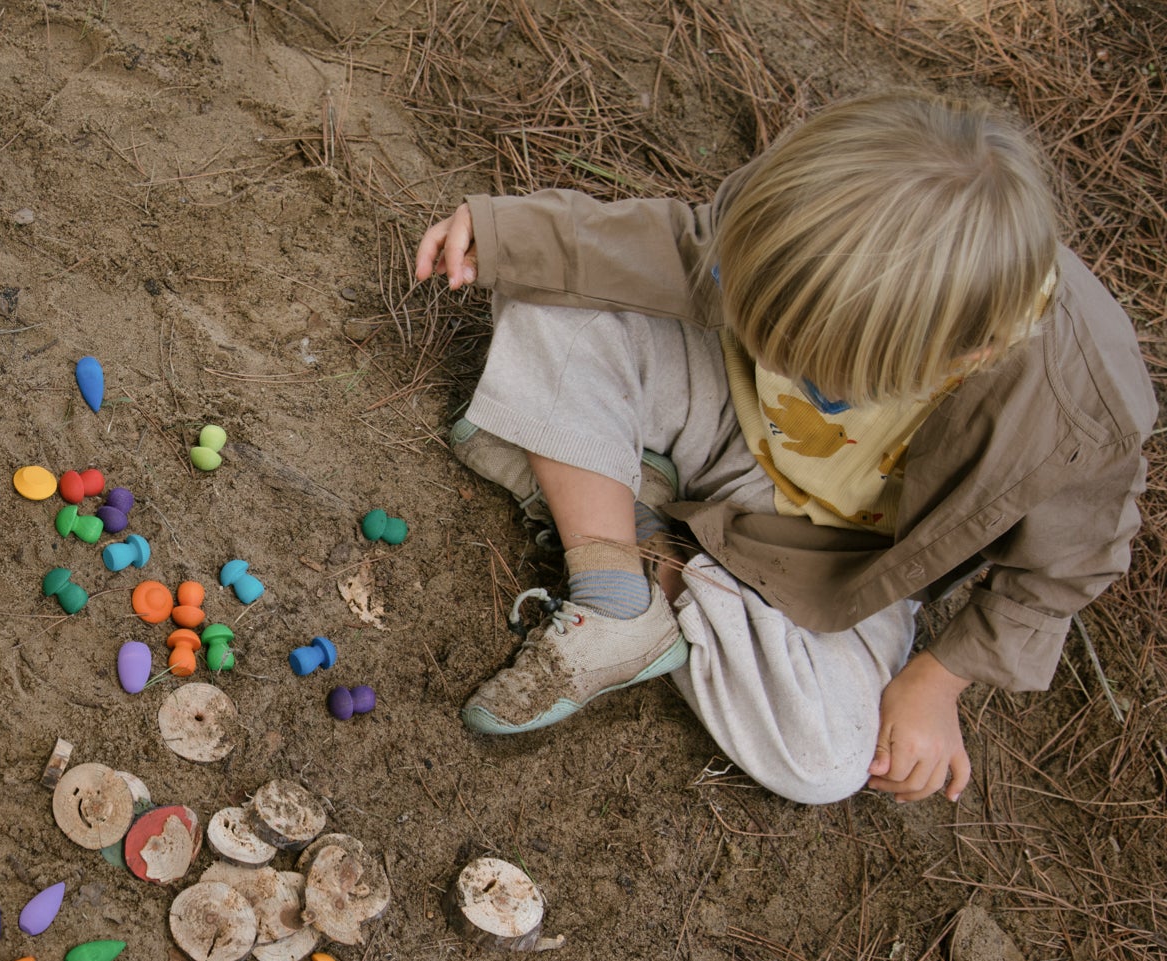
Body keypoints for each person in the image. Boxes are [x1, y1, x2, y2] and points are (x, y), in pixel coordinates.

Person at [415, 91, 1153, 806]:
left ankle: (646, 540)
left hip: (838, 551)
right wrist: (513, 236)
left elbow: (1062, 570)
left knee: (825, 755)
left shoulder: (1080, 412)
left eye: (820, 376)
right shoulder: (816, 200)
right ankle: (616, 593)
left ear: (969, 358)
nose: (787, 365)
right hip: (728, 420)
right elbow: (675, 251)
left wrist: (939, 678)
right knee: (551, 291)